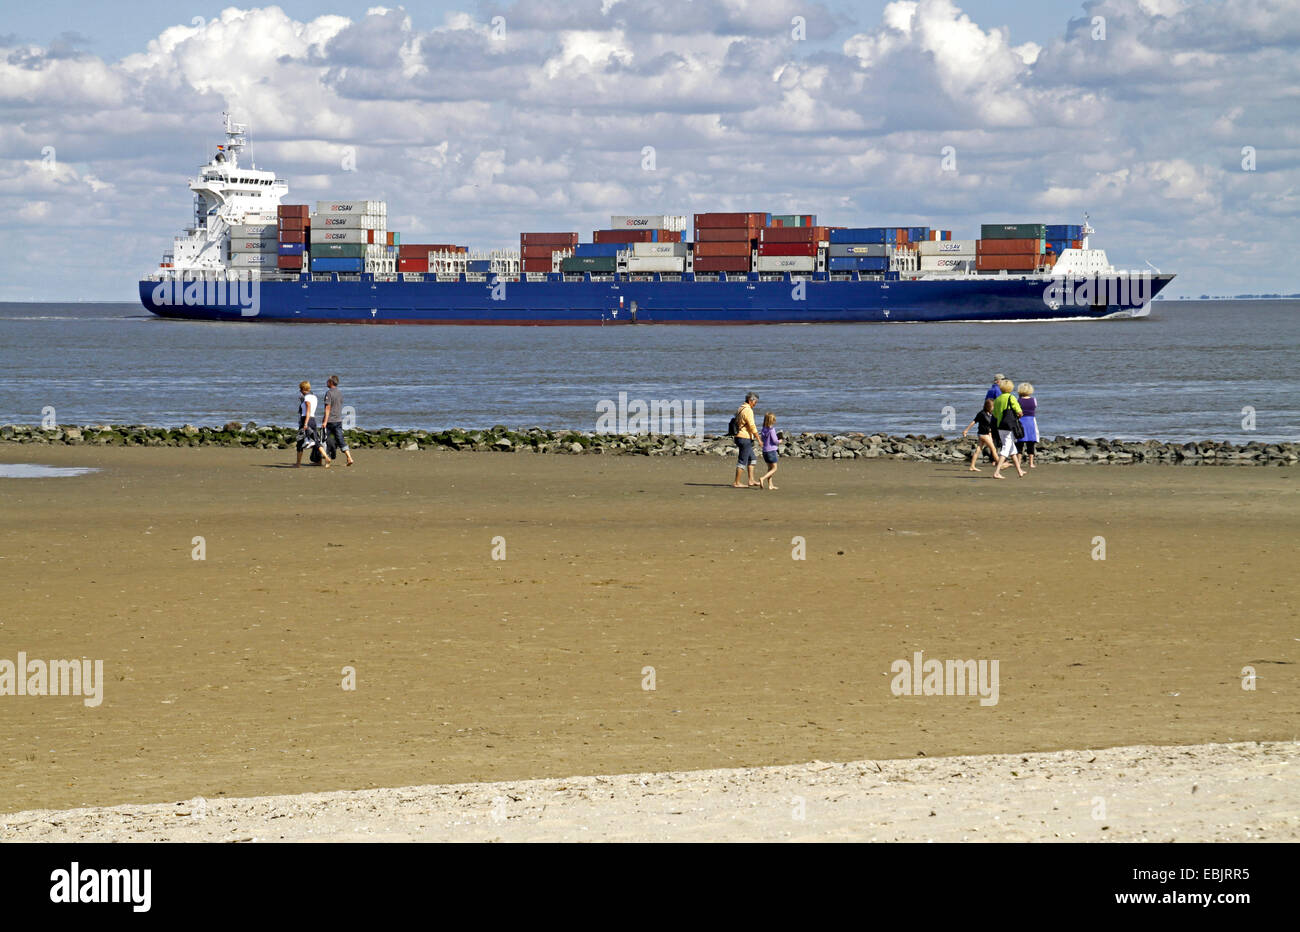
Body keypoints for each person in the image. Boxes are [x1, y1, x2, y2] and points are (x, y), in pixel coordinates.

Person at [990, 378, 1025, 479]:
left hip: (1000, 426)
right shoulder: (1011, 397)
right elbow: (1019, 411)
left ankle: (1019, 471)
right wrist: (1019, 415)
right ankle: (997, 472)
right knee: (1006, 449)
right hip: (1009, 426)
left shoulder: (998, 399)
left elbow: (995, 414)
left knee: (1012, 449)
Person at [320, 375, 354, 467]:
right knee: (340, 439)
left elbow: (327, 408)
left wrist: (324, 422)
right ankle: (349, 457)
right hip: (338, 420)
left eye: (327, 381)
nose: (326, 382)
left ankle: (327, 460)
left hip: (330, 421)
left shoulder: (329, 393)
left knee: (325, 440)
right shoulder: (339, 392)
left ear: (331, 382)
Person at [295, 380, 331, 468]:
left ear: (303, 389)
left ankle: (298, 464)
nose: (300, 391)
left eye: (300, 389)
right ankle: (326, 457)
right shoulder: (314, 397)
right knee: (316, 441)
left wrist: (305, 424)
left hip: (306, 420)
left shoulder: (307, 398)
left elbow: (308, 410)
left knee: (300, 441)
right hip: (313, 420)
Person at [961, 398, 1000, 472]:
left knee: (978, 450)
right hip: (983, 434)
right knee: (993, 449)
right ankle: (1000, 464)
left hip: (984, 434)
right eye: (993, 407)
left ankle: (972, 466)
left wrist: (990, 433)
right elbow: (974, 421)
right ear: (988, 406)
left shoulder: (990, 414)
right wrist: (966, 430)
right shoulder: (981, 413)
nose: (994, 408)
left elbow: (989, 426)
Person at [732, 392, 761, 488]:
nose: (755, 404)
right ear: (750, 400)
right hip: (744, 438)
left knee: (752, 458)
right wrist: (759, 439)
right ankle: (737, 482)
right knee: (742, 461)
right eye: (755, 402)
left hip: (739, 436)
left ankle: (751, 480)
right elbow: (752, 426)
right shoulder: (748, 410)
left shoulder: (740, 408)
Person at [1016, 382, 1038, 468]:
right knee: (1031, 442)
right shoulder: (1033, 400)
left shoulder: (1018, 400)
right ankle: (1031, 463)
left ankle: (1018, 461)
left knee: (1020, 443)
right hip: (1031, 421)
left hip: (1021, 421)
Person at [758, 412, 780, 489]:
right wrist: (779, 441)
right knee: (774, 468)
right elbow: (775, 441)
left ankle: (770, 485)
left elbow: (762, 439)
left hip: (765, 451)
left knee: (769, 468)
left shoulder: (763, 429)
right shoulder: (772, 430)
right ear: (772, 421)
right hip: (771, 451)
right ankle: (762, 478)